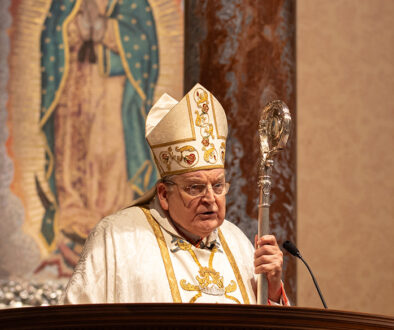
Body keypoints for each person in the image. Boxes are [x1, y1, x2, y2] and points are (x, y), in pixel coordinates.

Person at [62, 83, 289, 305]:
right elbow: (74, 321)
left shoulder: (237, 242)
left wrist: (273, 291)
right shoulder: (116, 238)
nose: (210, 198)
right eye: (195, 188)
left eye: (218, 186)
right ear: (163, 194)